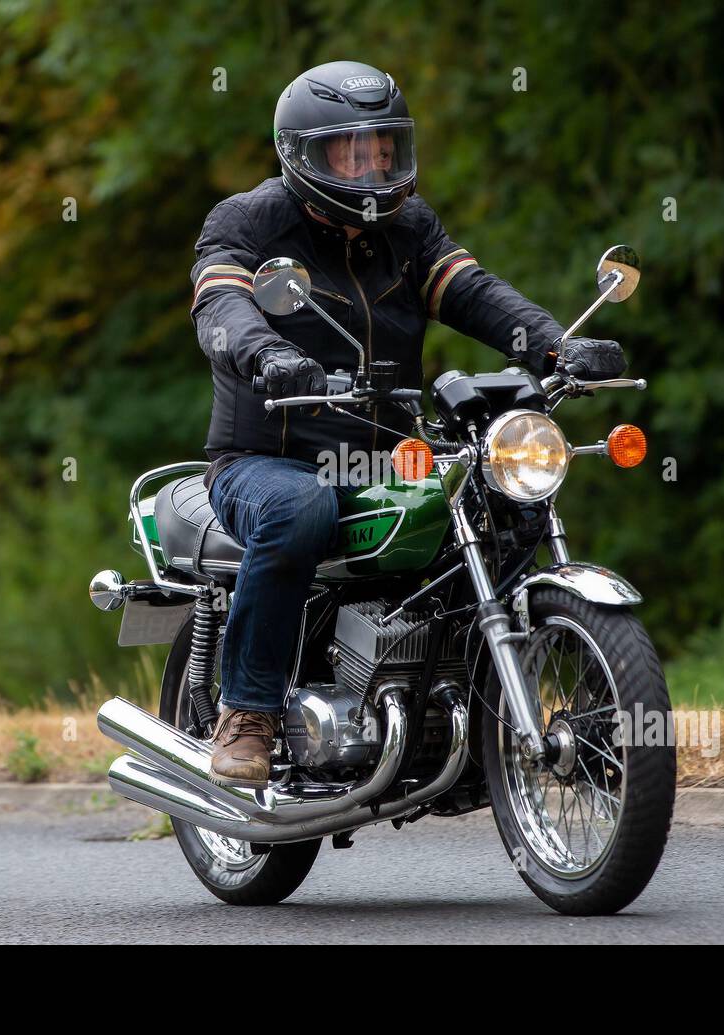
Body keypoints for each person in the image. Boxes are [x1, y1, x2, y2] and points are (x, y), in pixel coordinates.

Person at [190, 60, 611, 786]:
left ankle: (471, 703)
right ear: (303, 154)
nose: (373, 166)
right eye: (352, 151)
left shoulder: (410, 230)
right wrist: (269, 354)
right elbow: (220, 310)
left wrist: (555, 343)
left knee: (497, 499)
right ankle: (248, 711)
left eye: (384, 148)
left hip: (389, 455)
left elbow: (475, 294)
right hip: (268, 459)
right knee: (300, 508)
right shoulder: (248, 223)